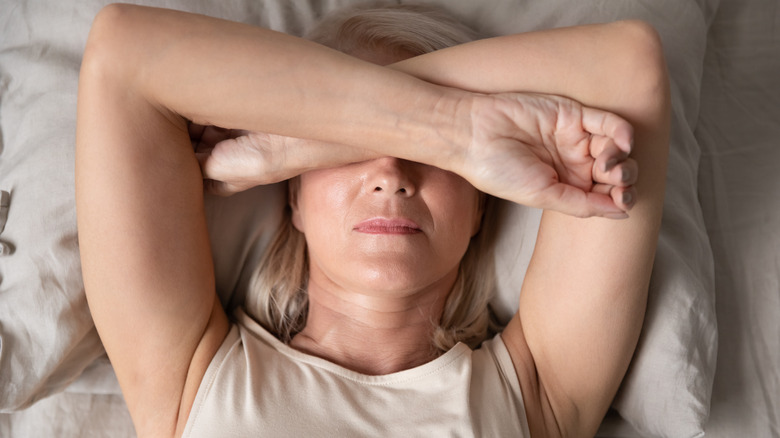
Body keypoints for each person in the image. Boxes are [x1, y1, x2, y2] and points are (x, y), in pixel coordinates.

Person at [75, 2, 669, 437]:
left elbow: (627, 66)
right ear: (294, 200)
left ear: (481, 203)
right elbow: (123, 52)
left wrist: (300, 141)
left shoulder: (538, 392)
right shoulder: (191, 380)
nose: (391, 173)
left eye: (434, 157)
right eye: (348, 149)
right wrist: (455, 132)